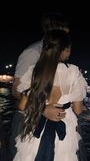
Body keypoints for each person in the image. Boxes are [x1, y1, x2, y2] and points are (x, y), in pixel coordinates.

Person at [13, 29, 87, 160]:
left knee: (31, 154)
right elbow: (78, 109)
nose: (69, 53)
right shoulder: (73, 71)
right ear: (63, 50)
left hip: (36, 123)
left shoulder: (35, 70)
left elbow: (22, 106)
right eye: (69, 49)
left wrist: (42, 108)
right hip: (63, 122)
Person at [9, 12, 70, 160]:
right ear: (54, 30)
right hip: (27, 121)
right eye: (65, 32)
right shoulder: (33, 52)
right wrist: (42, 108)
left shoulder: (57, 54)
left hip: (45, 122)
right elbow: (17, 90)